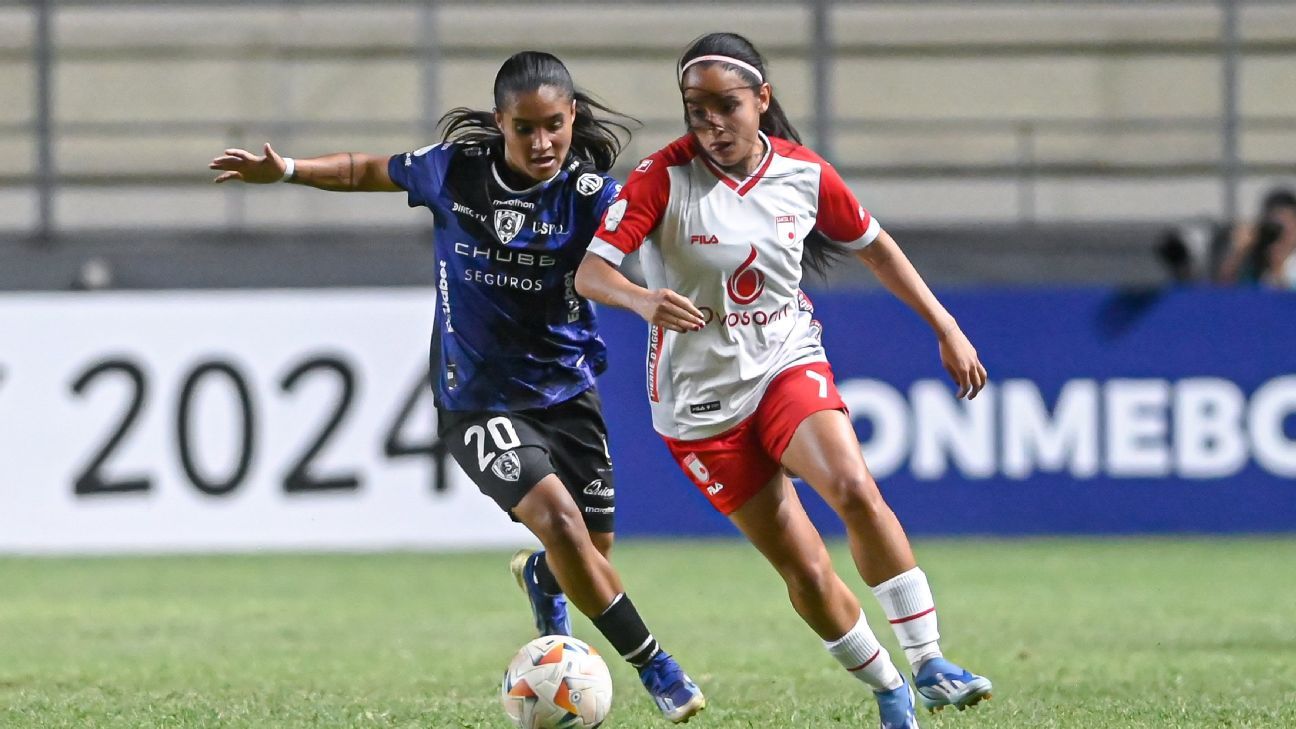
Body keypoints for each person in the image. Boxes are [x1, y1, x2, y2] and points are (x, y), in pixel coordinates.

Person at [208, 51, 705, 724]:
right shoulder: (454, 171)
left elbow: (608, 270)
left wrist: (645, 297)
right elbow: (364, 170)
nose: (542, 142)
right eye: (524, 127)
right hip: (476, 399)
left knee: (590, 550)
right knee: (560, 523)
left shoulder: (590, 196)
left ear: (573, 117)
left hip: (565, 391)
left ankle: (541, 576)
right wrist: (289, 169)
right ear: (500, 122)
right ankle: (656, 665)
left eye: (554, 125)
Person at [574, 33, 992, 729]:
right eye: (694, 109)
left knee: (854, 487)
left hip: (783, 363)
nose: (709, 124)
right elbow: (592, 272)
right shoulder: (661, 179)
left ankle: (930, 661)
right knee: (804, 570)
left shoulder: (804, 174)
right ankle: (890, 690)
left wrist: (945, 325)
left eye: (726, 107)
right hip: (701, 408)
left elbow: (877, 248)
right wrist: (644, 299)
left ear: (762, 100)